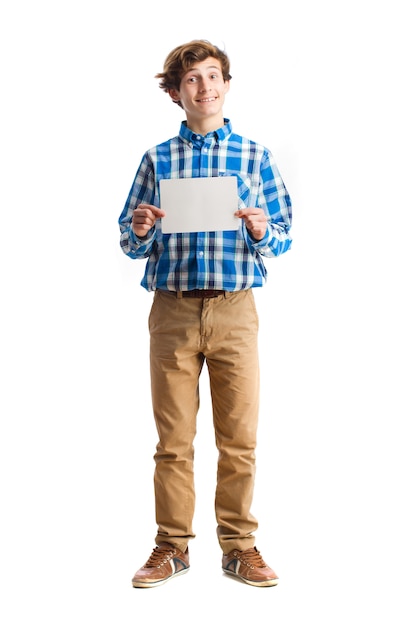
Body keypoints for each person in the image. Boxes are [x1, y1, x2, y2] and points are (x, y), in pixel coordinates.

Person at [118, 39, 292, 588]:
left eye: (214, 76)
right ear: (175, 93)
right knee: (173, 441)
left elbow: (284, 235)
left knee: (239, 439)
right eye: (192, 79)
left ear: (227, 84)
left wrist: (263, 230)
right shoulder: (157, 159)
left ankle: (239, 547)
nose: (205, 87)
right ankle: (172, 547)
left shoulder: (254, 156)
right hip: (171, 312)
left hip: (235, 311)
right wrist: (142, 230)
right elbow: (129, 238)